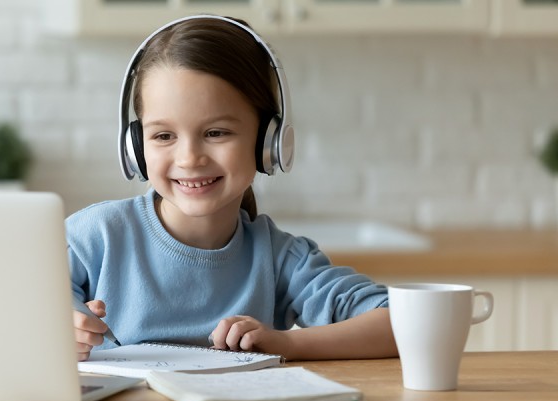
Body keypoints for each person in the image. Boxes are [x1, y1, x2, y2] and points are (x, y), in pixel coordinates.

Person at [68, 15, 398, 362]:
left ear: (268, 142)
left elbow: (399, 322)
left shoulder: (280, 259)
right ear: (136, 147)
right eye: (164, 136)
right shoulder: (95, 236)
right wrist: (60, 321)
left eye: (216, 133)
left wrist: (288, 344)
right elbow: (15, 297)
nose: (190, 158)